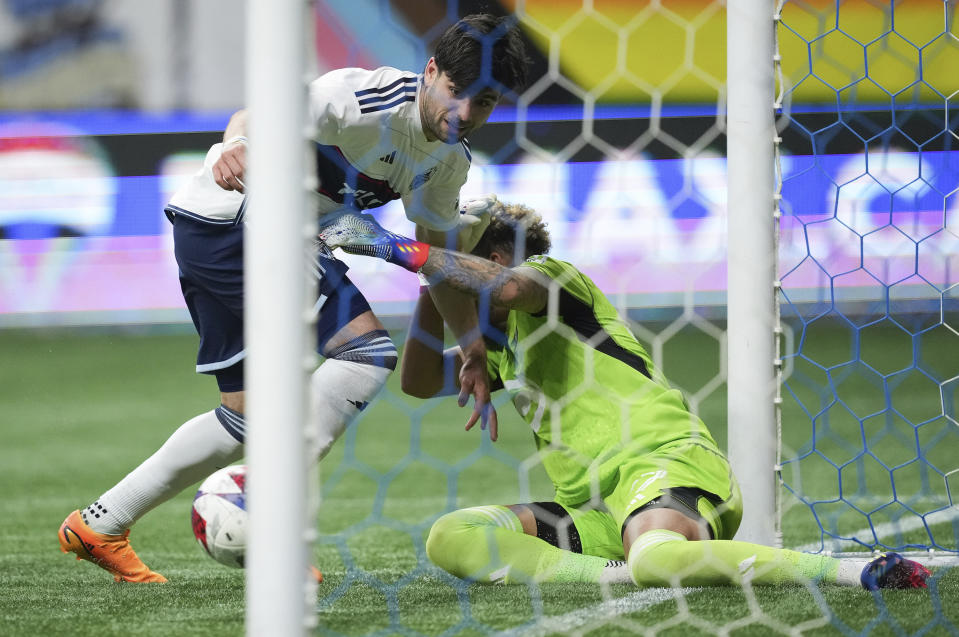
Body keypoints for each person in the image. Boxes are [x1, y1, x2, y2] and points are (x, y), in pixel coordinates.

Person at [58, 14, 528, 583]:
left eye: (484, 104)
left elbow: (436, 264)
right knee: (367, 356)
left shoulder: (449, 161)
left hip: (216, 230)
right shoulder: (360, 98)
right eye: (458, 94)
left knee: (245, 417)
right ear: (431, 71)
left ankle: (99, 523)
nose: (465, 115)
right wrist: (235, 145)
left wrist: (473, 345)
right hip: (237, 219)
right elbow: (252, 117)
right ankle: (272, 527)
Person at [314, 202, 932, 591]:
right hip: (600, 512)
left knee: (658, 558)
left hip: (666, 464)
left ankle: (849, 571)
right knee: (452, 536)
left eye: (457, 261)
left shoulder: (557, 284)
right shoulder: (495, 351)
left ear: (497, 256)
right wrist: (430, 282)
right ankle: (612, 575)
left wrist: (408, 250)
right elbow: (418, 382)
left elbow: (506, 290)